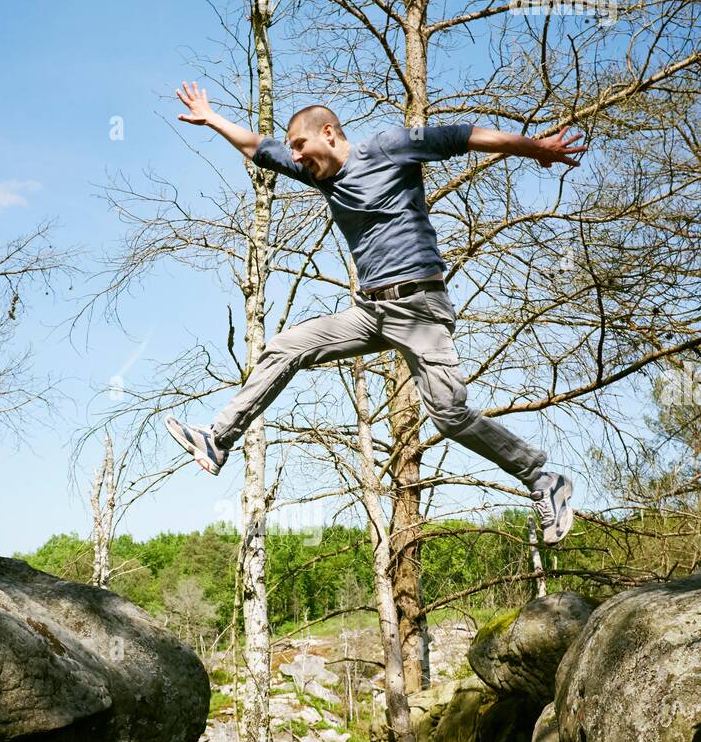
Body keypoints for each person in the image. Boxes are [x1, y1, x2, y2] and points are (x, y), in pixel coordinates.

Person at [164, 81, 586, 545]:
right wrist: (212, 117)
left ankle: (542, 478)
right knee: (287, 347)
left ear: (328, 132)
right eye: (294, 152)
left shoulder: (389, 148)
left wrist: (535, 148)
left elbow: (465, 135)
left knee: (448, 415)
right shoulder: (316, 172)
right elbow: (257, 147)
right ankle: (219, 438)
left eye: (301, 146)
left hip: (420, 307)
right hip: (370, 311)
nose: (297, 158)